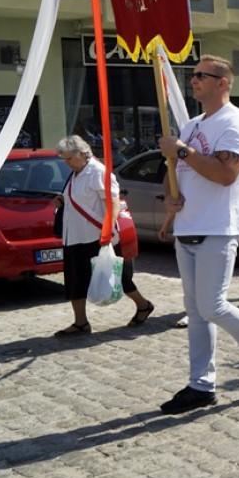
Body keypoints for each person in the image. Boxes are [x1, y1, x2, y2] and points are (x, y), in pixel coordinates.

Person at [157, 55, 239, 414]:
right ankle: (201, 384)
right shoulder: (192, 123)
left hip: (218, 227)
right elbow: (176, 171)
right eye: (192, 74)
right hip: (189, 227)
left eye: (201, 75)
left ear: (223, 83)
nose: (193, 80)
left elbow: (227, 173)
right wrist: (169, 192)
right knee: (196, 311)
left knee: (213, 305)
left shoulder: (236, 124)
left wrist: (182, 149)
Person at [53, 135, 154, 336]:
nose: (66, 163)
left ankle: (143, 305)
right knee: (75, 280)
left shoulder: (98, 172)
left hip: (97, 235)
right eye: (64, 159)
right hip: (74, 235)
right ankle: (80, 322)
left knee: (118, 278)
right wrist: (63, 201)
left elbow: (113, 202)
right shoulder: (75, 173)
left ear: (82, 154)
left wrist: (107, 229)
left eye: (69, 159)